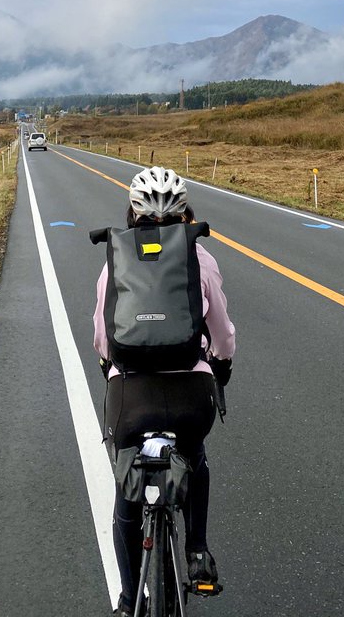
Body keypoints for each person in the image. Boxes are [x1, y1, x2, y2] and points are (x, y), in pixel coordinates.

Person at [93, 166, 236, 617]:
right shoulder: (201, 259)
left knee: (126, 491)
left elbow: (102, 333)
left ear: (132, 214)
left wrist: (110, 366)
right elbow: (223, 333)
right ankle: (196, 552)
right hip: (192, 394)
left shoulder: (115, 259)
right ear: (184, 212)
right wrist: (222, 367)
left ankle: (127, 598)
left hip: (130, 398)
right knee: (193, 456)